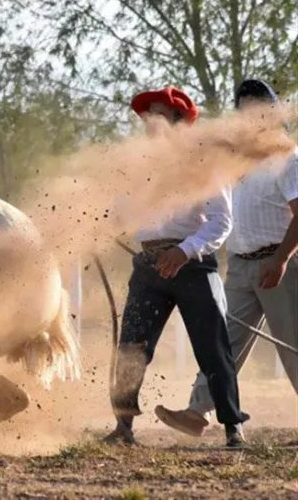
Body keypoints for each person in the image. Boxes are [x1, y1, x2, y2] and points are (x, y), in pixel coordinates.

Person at [105, 86, 249, 448]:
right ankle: (123, 427)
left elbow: (221, 221)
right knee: (131, 348)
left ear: (180, 122)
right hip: (149, 264)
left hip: (193, 266)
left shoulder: (205, 163)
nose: (150, 123)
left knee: (213, 347)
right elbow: (122, 212)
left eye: (159, 115)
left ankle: (233, 428)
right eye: (148, 115)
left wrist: (185, 251)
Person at [155, 79, 296, 438]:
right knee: (223, 343)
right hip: (241, 264)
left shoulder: (287, 159)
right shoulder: (232, 161)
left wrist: (280, 261)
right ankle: (197, 411)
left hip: (281, 265)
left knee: (293, 346)